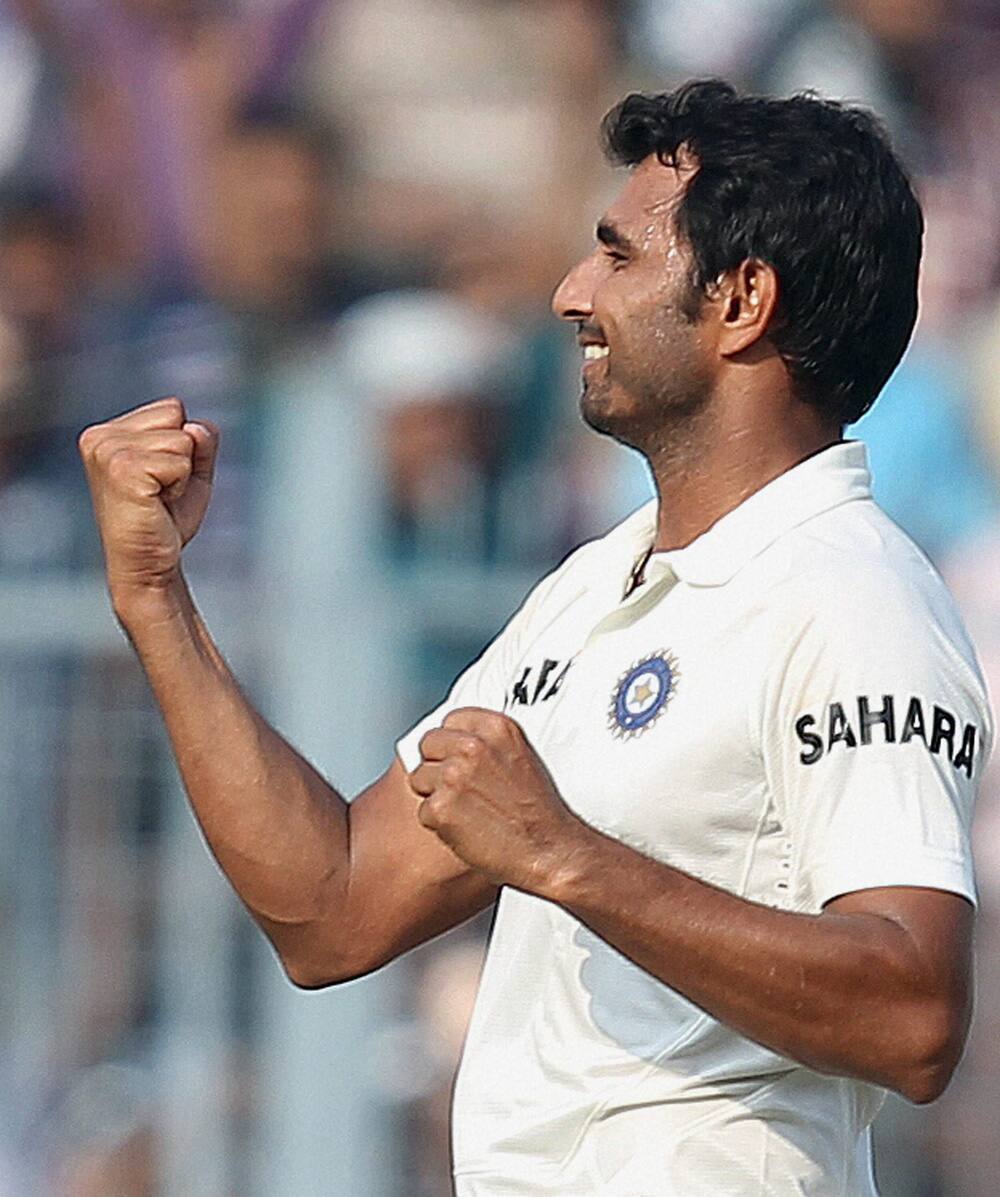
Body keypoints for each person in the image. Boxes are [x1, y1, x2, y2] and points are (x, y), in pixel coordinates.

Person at [78, 80, 992, 1196]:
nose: (570, 294)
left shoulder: (855, 595)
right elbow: (333, 907)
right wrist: (155, 601)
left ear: (743, 300)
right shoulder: (591, 587)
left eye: (618, 257)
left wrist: (567, 857)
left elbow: (914, 1013)